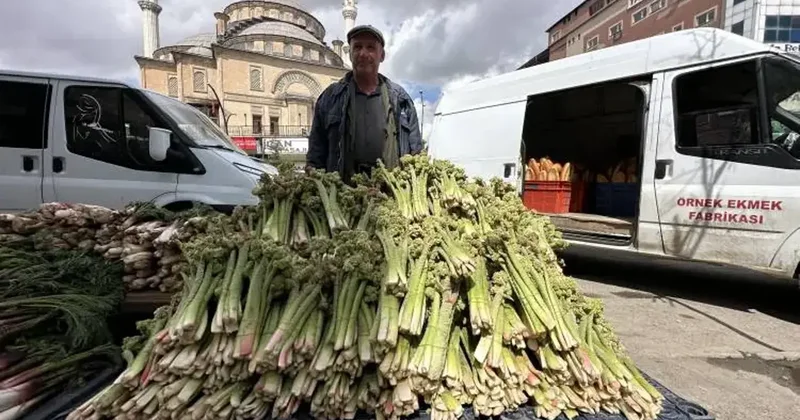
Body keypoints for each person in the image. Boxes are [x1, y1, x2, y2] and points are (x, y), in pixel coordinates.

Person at [306, 24, 423, 182]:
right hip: (343, 196)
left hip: (390, 196)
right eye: (357, 47)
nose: (363, 53)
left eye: (370, 47)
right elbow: (316, 155)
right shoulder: (330, 98)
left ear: (381, 55)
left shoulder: (400, 100)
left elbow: (416, 154)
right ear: (350, 53)